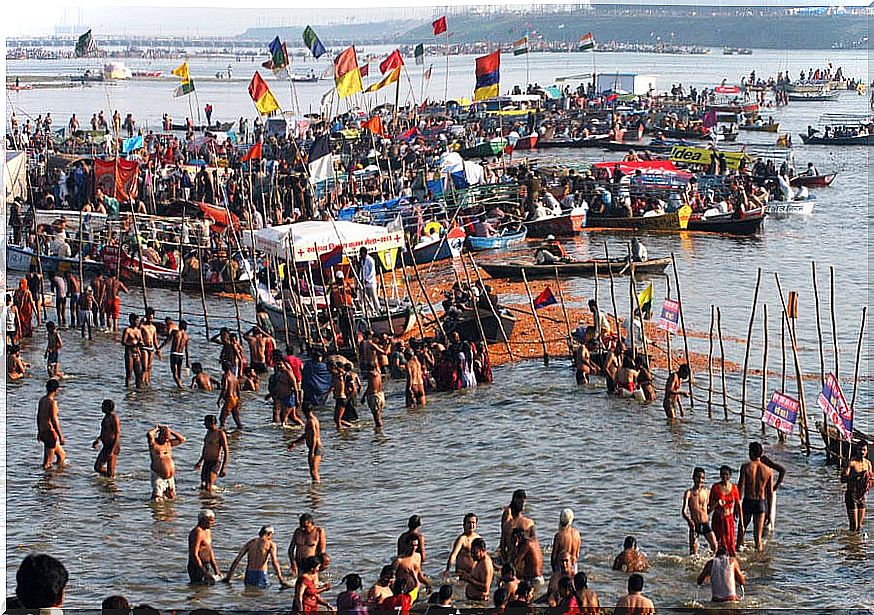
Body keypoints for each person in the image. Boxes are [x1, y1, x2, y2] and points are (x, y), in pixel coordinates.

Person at [224, 525, 290, 588]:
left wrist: (228, 577)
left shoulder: (250, 543)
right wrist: (281, 579)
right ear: (269, 534)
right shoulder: (271, 544)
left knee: (249, 594)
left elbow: (237, 560)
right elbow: (274, 562)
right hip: (261, 574)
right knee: (262, 595)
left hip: (249, 574)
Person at [738, 441, 773, 552]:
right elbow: (770, 493)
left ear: (751, 453)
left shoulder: (746, 467)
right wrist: (769, 511)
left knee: (741, 531)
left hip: (748, 501)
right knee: (758, 537)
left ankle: (738, 555)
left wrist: (736, 505)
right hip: (761, 503)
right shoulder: (768, 470)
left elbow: (740, 488)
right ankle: (759, 560)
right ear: (761, 453)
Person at [682, 467, 718, 555]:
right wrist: (689, 520)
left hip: (705, 523)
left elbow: (708, 510)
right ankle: (693, 567)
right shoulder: (689, 493)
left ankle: (710, 563)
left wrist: (716, 504)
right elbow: (683, 511)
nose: (700, 480)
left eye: (702, 478)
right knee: (693, 552)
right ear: (693, 477)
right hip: (694, 525)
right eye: (698, 477)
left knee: (715, 546)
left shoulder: (707, 492)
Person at [147, 424, 185, 501]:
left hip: (170, 477)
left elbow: (182, 439)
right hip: (158, 475)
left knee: (171, 498)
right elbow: (149, 434)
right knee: (157, 499)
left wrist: (170, 431)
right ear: (160, 435)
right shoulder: (154, 444)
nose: (166, 439)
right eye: (165, 437)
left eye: (168, 437)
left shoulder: (168, 443)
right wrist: (157, 428)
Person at [709, 465, 741, 556]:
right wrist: (716, 504)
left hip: (729, 519)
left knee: (730, 543)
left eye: (726, 474)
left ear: (730, 476)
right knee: (718, 543)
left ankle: (731, 563)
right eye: (722, 474)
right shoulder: (715, 487)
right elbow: (709, 508)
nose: (724, 477)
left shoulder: (734, 488)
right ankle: (716, 562)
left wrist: (741, 523)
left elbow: (738, 505)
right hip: (718, 519)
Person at [288, 404, 324, 483]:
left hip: (316, 448)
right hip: (313, 448)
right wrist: (295, 442)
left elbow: (314, 436)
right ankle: (314, 489)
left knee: (314, 471)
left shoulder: (311, 421)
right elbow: (306, 434)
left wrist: (312, 451)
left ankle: (316, 491)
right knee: (312, 471)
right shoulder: (311, 420)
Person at [841, 442, 872, 531]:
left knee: (859, 526)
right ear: (856, 450)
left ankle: (857, 544)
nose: (862, 452)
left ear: (866, 452)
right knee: (853, 525)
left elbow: (871, 479)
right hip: (851, 495)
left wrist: (868, 480)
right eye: (860, 450)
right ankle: (850, 543)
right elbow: (842, 479)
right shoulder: (851, 463)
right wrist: (856, 476)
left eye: (864, 450)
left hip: (862, 496)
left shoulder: (868, 463)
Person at [194, 415, 229, 493]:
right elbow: (205, 448)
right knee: (203, 485)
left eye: (206, 422)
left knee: (208, 485)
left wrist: (224, 467)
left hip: (215, 462)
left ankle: (212, 503)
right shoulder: (208, 433)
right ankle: (205, 502)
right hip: (207, 461)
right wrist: (200, 461)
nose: (204, 424)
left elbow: (226, 451)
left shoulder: (220, 433)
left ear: (212, 423)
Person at [37, 378, 66, 470]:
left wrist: (39, 431)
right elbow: (54, 420)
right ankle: (46, 481)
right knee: (47, 463)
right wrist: (60, 435)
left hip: (43, 430)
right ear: (56, 390)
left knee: (62, 455)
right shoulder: (52, 402)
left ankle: (57, 476)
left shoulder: (42, 400)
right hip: (50, 432)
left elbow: (38, 416)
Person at [500, 489, 535, 562]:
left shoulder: (511, 522)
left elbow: (503, 546)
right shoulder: (508, 512)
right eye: (521, 502)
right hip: (519, 556)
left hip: (513, 554)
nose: (523, 504)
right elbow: (505, 533)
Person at [289, 513, 328, 578]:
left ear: (311, 523)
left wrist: (321, 564)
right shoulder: (298, 531)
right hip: (299, 562)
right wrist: (293, 562)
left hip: (312, 564)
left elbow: (322, 551)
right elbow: (291, 549)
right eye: (301, 526)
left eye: (305, 526)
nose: (303, 529)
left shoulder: (319, 531)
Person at [188, 509, 221, 585]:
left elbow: (209, 550)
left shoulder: (208, 530)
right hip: (196, 566)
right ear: (203, 520)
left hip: (206, 564)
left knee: (206, 591)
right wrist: (204, 571)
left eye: (213, 520)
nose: (213, 523)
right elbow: (194, 554)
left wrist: (216, 569)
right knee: (198, 589)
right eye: (211, 521)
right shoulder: (197, 532)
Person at [444, 513, 480, 580]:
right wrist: (447, 570)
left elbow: (484, 555)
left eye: (473, 523)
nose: (471, 525)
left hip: (475, 573)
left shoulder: (478, 538)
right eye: (469, 523)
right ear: (464, 525)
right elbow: (453, 555)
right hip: (462, 574)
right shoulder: (462, 539)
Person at [92, 399, 120, 478]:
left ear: (108, 407)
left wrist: (112, 450)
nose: (101, 408)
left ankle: (111, 480)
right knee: (97, 467)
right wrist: (98, 439)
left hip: (112, 446)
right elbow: (105, 431)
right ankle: (109, 477)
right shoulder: (106, 417)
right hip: (106, 446)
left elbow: (117, 433)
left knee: (110, 471)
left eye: (103, 406)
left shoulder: (114, 418)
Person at [551, 508, 581, 573]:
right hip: (573, 566)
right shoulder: (577, 534)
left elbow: (554, 557)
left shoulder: (559, 536)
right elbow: (577, 554)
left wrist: (554, 572)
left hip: (562, 567)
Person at [164, 320, 190, 388]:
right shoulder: (187, 336)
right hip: (181, 355)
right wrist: (187, 362)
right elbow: (187, 351)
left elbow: (167, 341)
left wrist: (159, 348)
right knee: (179, 374)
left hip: (174, 354)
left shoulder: (174, 332)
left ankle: (180, 387)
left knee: (174, 374)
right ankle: (180, 386)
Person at [218, 360, 242, 429]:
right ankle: (240, 432)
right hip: (236, 398)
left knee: (222, 418)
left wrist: (220, 399)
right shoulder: (234, 377)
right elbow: (238, 389)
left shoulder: (226, 376)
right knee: (236, 418)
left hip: (229, 399)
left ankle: (223, 433)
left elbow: (225, 388)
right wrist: (239, 400)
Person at [121, 314, 143, 387]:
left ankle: (138, 389)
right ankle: (127, 388)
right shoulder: (127, 330)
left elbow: (141, 340)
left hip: (137, 352)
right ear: (131, 321)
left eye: (138, 321)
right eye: (136, 321)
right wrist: (131, 344)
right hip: (129, 352)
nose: (137, 322)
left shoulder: (138, 331)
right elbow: (123, 342)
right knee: (129, 373)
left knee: (138, 373)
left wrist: (141, 344)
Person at [358, 247, 380, 315]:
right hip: (365, 284)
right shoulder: (362, 261)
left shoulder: (370, 260)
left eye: (361, 253)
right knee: (367, 299)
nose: (360, 255)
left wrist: (366, 279)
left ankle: (378, 311)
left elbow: (372, 272)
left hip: (371, 283)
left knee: (374, 298)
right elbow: (361, 271)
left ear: (364, 253)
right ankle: (370, 313)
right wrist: (361, 279)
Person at [363, 364, 385, 430]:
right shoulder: (378, 374)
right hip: (381, 394)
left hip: (374, 395)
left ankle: (379, 433)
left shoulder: (370, 374)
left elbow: (369, 386)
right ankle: (379, 431)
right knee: (378, 414)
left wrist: (363, 396)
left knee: (376, 416)